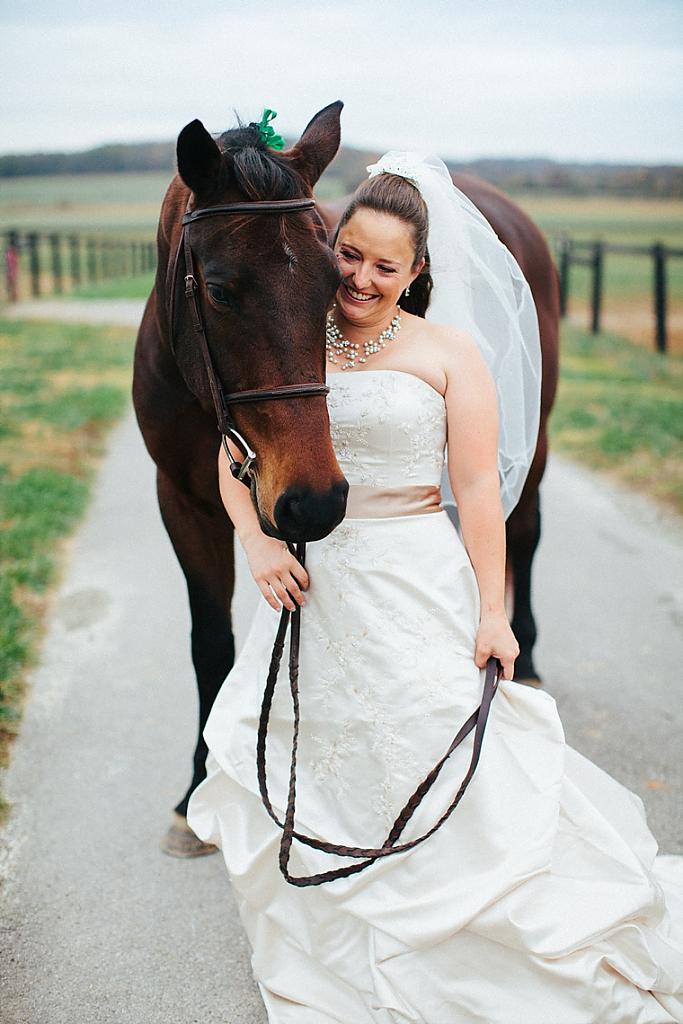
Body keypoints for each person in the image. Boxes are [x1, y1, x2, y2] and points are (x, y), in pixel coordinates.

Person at [187, 152, 683, 1023]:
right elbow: (236, 451)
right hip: (311, 588)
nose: (364, 278)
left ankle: (460, 935)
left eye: (388, 265)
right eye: (351, 256)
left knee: (431, 741)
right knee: (315, 748)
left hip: (414, 575)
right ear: (330, 246)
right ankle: (334, 932)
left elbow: (484, 493)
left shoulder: (450, 354)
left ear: (418, 271)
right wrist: (256, 544)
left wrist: (494, 613)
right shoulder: (296, 334)